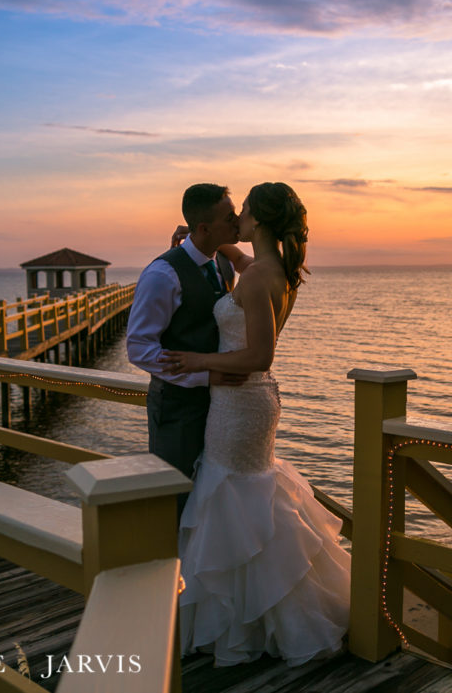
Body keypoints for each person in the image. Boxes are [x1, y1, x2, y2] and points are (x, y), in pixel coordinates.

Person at [161, 182, 350, 667]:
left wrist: (194, 360)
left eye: (243, 212)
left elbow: (260, 356)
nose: (237, 218)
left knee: (231, 495)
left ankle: (242, 623)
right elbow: (244, 266)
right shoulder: (271, 270)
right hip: (246, 402)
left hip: (239, 401)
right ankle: (253, 615)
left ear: (259, 222)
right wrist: (209, 240)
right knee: (246, 497)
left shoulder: (259, 277)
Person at [126, 183, 242, 518]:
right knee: (176, 503)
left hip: (219, 406)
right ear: (204, 228)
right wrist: (206, 375)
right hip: (177, 408)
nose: (237, 222)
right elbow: (139, 348)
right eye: (230, 217)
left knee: (212, 503)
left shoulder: (223, 264)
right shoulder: (162, 275)